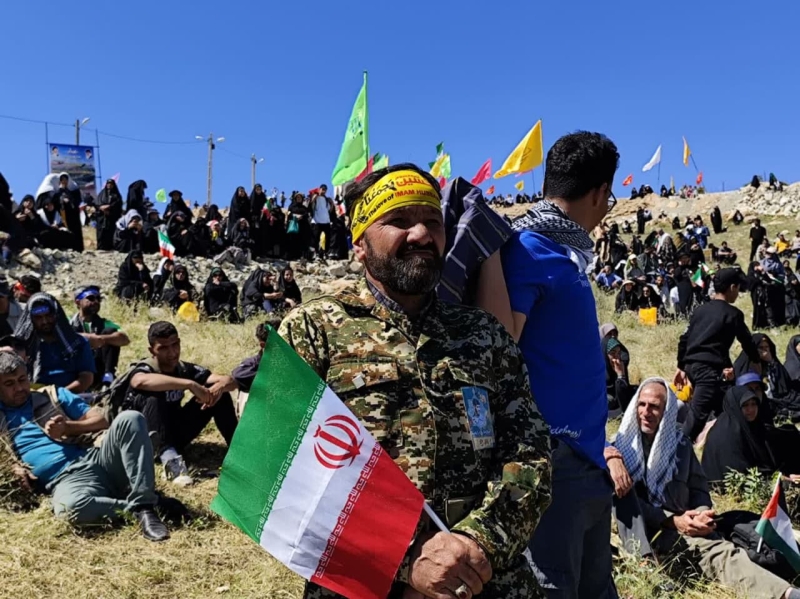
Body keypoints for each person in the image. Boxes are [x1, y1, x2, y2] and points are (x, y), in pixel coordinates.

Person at [280, 162, 552, 599]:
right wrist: (406, 563)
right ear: (360, 244)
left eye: (432, 220)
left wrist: (477, 544)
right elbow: (283, 474)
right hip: (361, 583)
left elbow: (529, 452)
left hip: (484, 580)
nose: (422, 234)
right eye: (399, 220)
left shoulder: (484, 334)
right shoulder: (313, 330)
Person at [500, 132, 619, 598]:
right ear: (599, 193)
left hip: (588, 455)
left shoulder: (564, 252)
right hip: (556, 461)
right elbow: (501, 343)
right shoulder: (530, 249)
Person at [610, 379, 799, 599]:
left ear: (666, 411)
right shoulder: (620, 452)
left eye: (654, 407)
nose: (645, 412)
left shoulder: (680, 445)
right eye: (641, 405)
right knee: (720, 554)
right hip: (652, 531)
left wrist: (701, 514)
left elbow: (699, 489)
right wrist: (674, 521)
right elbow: (627, 505)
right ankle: (785, 594)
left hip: (689, 522)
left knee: (749, 533)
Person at [0, 352, 169, 540]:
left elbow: (101, 420)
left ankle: (145, 504)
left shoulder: (53, 395)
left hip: (98, 458)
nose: (19, 388)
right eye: (9, 384)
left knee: (131, 418)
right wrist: (11, 467)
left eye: (22, 379)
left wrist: (68, 428)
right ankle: (140, 509)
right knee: (70, 510)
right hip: (67, 481)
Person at [122, 322, 238, 486]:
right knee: (154, 397)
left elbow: (230, 381)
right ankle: (171, 463)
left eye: (175, 345)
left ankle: (239, 450)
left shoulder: (183, 368)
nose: (172, 352)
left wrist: (218, 388)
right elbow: (139, 381)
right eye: (164, 348)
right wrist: (190, 384)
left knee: (221, 395)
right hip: (145, 439)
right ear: (152, 351)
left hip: (175, 431)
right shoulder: (146, 368)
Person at [674, 268, 760, 442]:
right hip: (708, 371)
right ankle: (677, 449)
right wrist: (756, 360)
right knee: (697, 417)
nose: (738, 293)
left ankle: (731, 441)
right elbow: (747, 341)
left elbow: (684, 339)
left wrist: (681, 366)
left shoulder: (700, 310)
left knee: (727, 405)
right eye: (738, 288)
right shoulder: (733, 314)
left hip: (693, 367)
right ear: (732, 287)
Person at [13, 293, 95, 393]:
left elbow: (86, 379)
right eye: (38, 318)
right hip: (34, 396)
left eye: (48, 315)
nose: (44, 321)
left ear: (56, 315)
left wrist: (59, 395)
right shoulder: (24, 346)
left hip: (72, 396)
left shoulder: (77, 343)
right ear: (31, 319)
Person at [69, 285, 130, 389]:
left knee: (110, 333)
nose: (96, 301)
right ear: (78, 302)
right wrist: (87, 338)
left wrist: (100, 339)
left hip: (97, 366)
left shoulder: (104, 323)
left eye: (98, 299)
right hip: (76, 367)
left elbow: (124, 339)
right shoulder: (68, 322)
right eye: (91, 298)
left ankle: (107, 379)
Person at [52, 173, 84, 252]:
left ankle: (78, 249)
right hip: (63, 215)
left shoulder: (72, 191)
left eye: (65, 180)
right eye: (62, 180)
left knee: (75, 231)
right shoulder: (58, 193)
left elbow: (76, 201)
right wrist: (62, 200)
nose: (64, 182)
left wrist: (69, 201)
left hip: (73, 215)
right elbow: (55, 203)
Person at [604, 336, 633, 417]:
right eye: (613, 353)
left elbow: (624, 395)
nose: (617, 358)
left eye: (619, 353)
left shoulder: (620, 365)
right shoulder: (597, 371)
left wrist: (621, 375)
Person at [96, 179, 124, 251]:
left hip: (112, 217)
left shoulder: (117, 195)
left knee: (111, 232)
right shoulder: (102, 193)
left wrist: (109, 207)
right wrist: (101, 208)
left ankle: (110, 247)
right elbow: (97, 203)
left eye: (111, 184)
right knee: (101, 232)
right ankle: (101, 248)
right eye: (108, 183)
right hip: (102, 217)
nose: (109, 185)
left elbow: (118, 204)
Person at [310, 184, 334, 258]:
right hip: (317, 221)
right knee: (316, 238)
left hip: (326, 221)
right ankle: (316, 253)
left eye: (325, 190)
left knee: (328, 238)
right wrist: (314, 197)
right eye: (322, 189)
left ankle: (326, 252)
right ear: (319, 189)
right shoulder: (315, 197)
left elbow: (329, 210)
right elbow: (311, 205)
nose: (324, 191)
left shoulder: (326, 199)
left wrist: (332, 203)